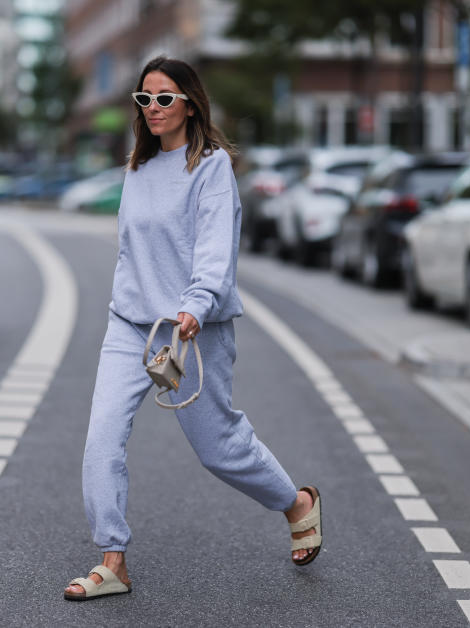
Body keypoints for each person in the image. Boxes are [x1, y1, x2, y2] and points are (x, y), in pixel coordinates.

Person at [64, 56, 323, 602]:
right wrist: (126, 301)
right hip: (131, 325)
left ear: (189, 102)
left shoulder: (211, 168)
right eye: (144, 99)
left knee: (219, 448)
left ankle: (297, 503)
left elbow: (213, 249)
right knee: (101, 440)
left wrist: (196, 305)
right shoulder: (135, 166)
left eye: (164, 97)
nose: (153, 108)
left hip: (190, 329)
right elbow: (131, 251)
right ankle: (113, 560)